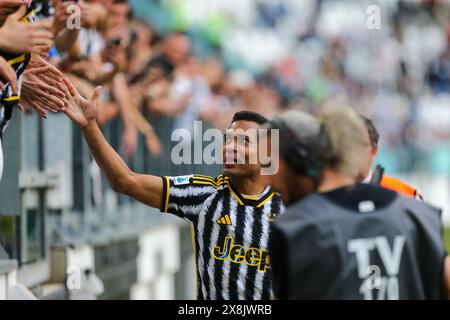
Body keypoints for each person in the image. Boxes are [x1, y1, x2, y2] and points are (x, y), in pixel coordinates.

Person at [58, 76, 283, 300]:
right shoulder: (203, 195)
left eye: (243, 141)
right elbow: (125, 181)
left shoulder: (286, 208)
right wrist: (89, 126)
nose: (229, 147)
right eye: (227, 139)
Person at [265, 108, 449, 299]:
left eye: (274, 162)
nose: (269, 179)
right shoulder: (418, 214)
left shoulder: (296, 228)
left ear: (300, 159)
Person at [361, 115, 422, 200]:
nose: (351, 150)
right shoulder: (335, 192)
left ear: (373, 151)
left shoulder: (405, 195)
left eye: (360, 144)